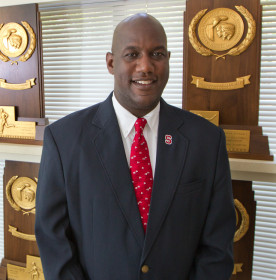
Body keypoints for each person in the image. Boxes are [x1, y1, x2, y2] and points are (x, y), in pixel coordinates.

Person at [35, 13, 236, 280]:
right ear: (110, 63)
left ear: (168, 60)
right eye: (132, 55)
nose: (146, 66)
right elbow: (53, 240)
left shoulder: (206, 141)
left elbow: (217, 246)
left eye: (157, 54)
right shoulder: (64, 140)